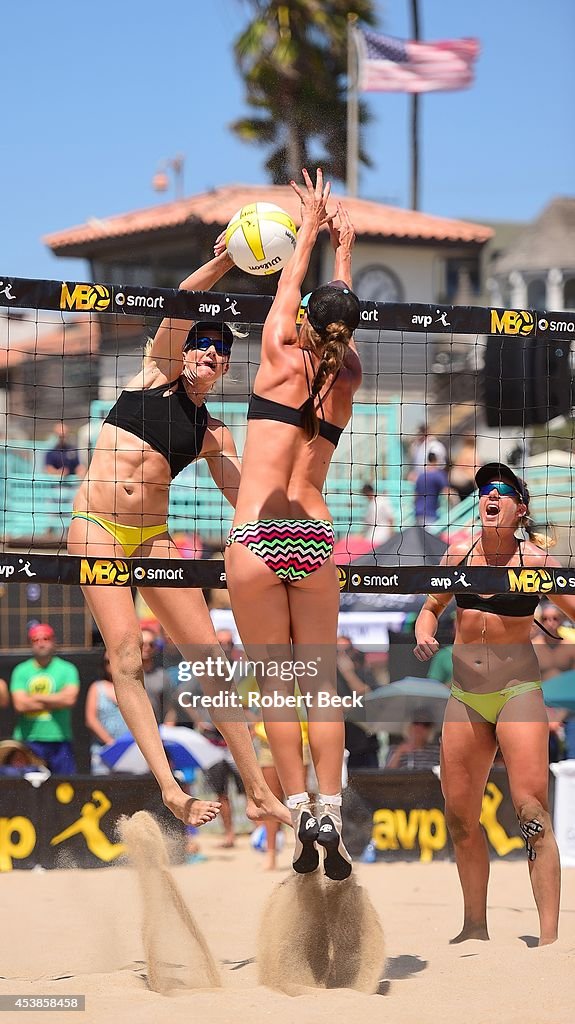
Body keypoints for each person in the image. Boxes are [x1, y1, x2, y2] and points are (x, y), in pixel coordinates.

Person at [67, 245, 290, 832]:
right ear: (187, 349)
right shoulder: (155, 372)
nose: (210, 353)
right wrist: (224, 262)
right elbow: (183, 301)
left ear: (224, 370)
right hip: (95, 527)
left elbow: (245, 504)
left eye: (221, 351)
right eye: (203, 343)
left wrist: (291, 512)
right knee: (126, 655)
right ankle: (170, 788)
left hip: (151, 536)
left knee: (212, 660)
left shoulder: (213, 432)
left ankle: (260, 793)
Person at [225, 169, 362, 881]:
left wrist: (309, 225)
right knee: (318, 683)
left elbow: (291, 290)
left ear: (305, 317)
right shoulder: (351, 374)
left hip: (255, 535)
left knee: (275, 682)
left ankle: (302, 805)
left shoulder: (280, 347)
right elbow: (337, 315)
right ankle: (332, 810)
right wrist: (342, 259)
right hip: (311, 538)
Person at [414, 462, 575, 946]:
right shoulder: (460, 553)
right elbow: (431, 606)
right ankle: (474, 927)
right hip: (465, 696)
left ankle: (548, 937)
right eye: (486, 490)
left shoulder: (537, 564)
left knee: (530, 811)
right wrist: (424, 629)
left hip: (518, 692)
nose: (491, 496)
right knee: (460, 816)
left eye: (502, 492)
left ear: (519, 510)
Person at [10, 624, 79, 773]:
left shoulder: (67, 669)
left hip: (59, 739)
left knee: (65, 787)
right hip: (29, 740)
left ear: (53, 641)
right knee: (29, 790)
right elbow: (20, 705)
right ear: (31, 644)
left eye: (45, 639)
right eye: (36, 640)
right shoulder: (21, 670)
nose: (41, 643)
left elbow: (69, 700)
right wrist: (56, 700)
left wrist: (35, 697)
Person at [336, 635, 380, 769]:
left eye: (347, 650)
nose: (343, 655)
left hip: (365, 744)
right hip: (341, 743)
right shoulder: (328, 675)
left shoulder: (362, 671)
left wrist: (348, 673)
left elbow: (371, 698)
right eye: (338, 651)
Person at [84, 652, 128, 774]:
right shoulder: (97, 688)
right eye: (108, 662)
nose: (112, 665)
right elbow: (91, 719)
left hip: (130, 750)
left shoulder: (132, 689)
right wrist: (111, 743)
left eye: (116, 661)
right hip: (103, 751)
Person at [414, 452, 450, 526]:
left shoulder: (420, 476)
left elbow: (415, 496)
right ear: (436, 461)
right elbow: (447, 492)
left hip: (418, 513)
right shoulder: (438, 475)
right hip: (430, 515)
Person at [361, 482, 395, 546]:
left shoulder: (382, 500)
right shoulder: (370, 504)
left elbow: (390, 518)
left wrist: (391, 532)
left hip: (383, 531)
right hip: (373, 532)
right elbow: (367, 523)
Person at [449, 435, 477, 502]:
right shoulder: (472, 452)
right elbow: (473, 470)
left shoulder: (462, 451)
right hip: (468, 484)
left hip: (459, 483)